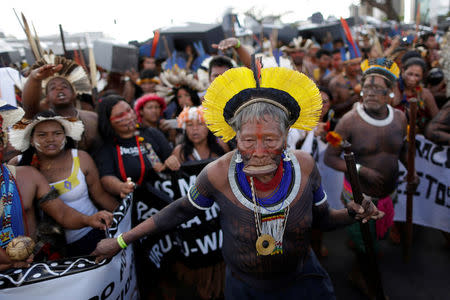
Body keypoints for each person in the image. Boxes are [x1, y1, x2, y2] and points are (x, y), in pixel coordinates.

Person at [93, 66, 384, 299]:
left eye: (270, 140)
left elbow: (323, 220)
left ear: (285, 137)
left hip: (303, 282)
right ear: (234, 138)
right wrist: (120, 241)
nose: (258, 152)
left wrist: (352, 213)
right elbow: (179, 212)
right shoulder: (217, 174)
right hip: (245, 288)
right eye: (247, 140)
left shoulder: (305, 167)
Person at [324, 58, 415, 297]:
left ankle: (358, 268)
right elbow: (329, 158)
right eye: (367, 88)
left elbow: (403, 150)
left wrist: (412, 172)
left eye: (378, 89)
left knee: (375, 241)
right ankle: (368, 282)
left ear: (391, 93)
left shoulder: (400, 118)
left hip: (389, 194)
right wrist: (362, 169)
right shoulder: (349, 121)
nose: (372, 94)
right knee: (366, 247)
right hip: (359, 197)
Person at [0, 101, 112, 270]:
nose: (50, 139)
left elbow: (62, 212)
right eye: (42, 135)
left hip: (36, 268)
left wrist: (88, 219)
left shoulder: (28, 176)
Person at [21, 53, 100, 155]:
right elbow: (29, 107)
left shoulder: (93, 118)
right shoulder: (43, 119)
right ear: (47, 97)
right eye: (53, 88)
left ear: (74, 94)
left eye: (64, 86)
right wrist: (34, 78)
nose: (59, 88)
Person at [393, 56, 439, 133]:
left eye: (417, 75)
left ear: (422, 76)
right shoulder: (393, 88)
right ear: (403, 71)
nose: (412, 79)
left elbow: (437, 119)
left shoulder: (425, 94)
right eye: (410, 74)